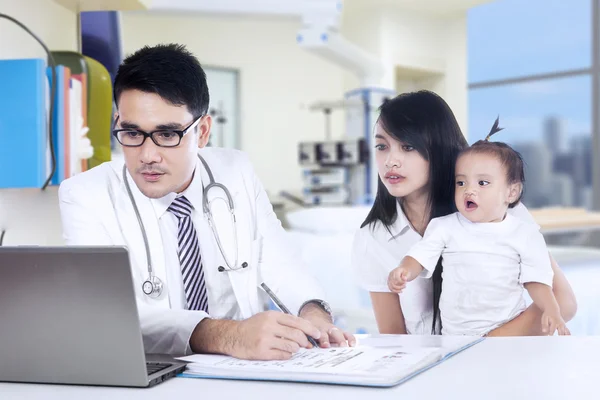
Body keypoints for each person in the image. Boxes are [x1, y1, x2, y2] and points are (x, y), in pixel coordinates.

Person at [59, 43, 355, 360]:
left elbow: (280, 261)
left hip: (243, 372)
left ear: (202, 132)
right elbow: (106, 311)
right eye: (131, 133)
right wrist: (229, 336)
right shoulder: (84, 194)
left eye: (168, 134)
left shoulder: (235, 171)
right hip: (151, 373)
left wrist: (313, 312)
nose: (147, 155)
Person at [351, 90, 577, 336]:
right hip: (431, 367)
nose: (390, 161)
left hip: (501, 358)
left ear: (437, 147)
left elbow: (563, 302)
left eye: (407, 146)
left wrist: (481, 347)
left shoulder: (498, 210)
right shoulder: (374, 236)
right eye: (382, 146)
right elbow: (395, 337)